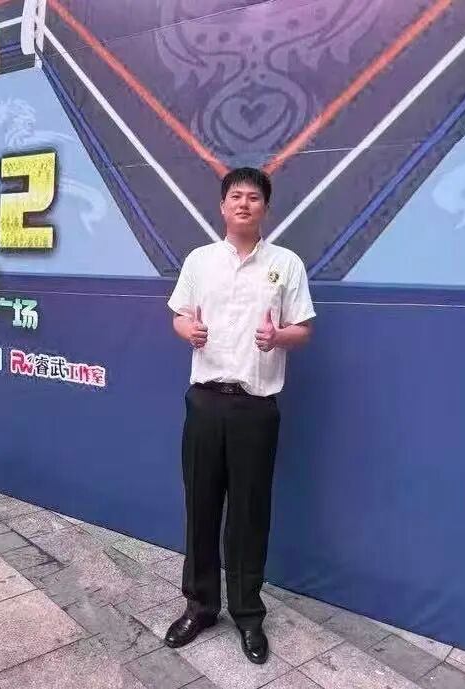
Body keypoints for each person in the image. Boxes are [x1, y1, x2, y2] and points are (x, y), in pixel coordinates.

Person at [164, 167, 315, 664]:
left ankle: (248, 614)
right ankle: (200, 606)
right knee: (201, 508)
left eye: (253, 197)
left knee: (250, 515)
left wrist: (279, 337)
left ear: (265, 208)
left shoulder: (286, 264)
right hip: (205, 402)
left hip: (256, 407)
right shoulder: (200, 260)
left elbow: (303, 329)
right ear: (222, 206)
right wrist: (187, 330)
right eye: (236, 196)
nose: (244, 204)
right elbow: (179, 314)